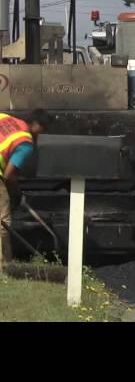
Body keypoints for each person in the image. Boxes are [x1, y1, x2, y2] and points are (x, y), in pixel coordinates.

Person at [0, 109, 52, 271]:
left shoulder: (4, 117)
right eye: (44, 128)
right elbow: (8, 175)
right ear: (36, 124)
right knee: (3, 222)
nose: (43, 133)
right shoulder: (24, 143)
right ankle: (4, 266)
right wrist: (16, 191)